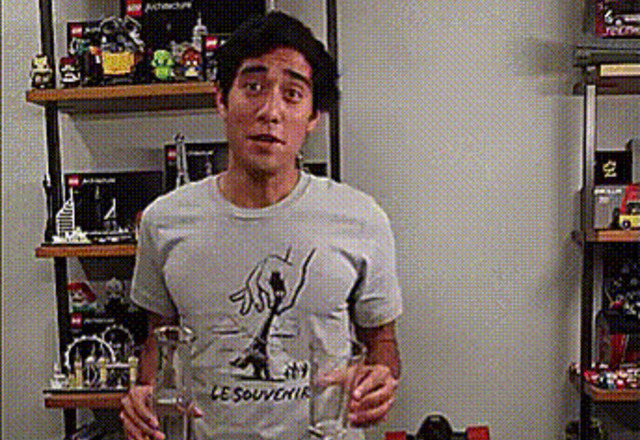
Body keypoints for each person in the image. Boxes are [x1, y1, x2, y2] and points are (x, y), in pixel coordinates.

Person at [120, 11, 402, 440]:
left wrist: (380, 380)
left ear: (313, 116)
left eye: (293, 94)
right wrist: (144, 396)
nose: (271, 111)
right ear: (221, 99)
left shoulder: (362, 219)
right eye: (253, 87)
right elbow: (159, 340)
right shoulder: (164, 221)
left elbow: (381, 340)